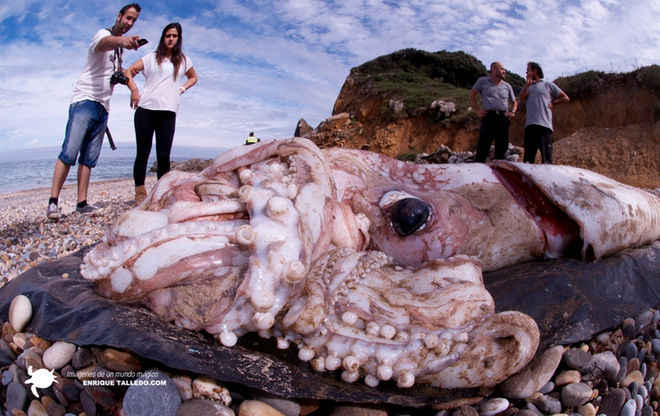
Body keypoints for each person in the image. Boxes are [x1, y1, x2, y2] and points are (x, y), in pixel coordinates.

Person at [46, 3, 143, 221]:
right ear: (119, 16)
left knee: (89, 158)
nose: (129, 23)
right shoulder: (104, 35)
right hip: (85, 101)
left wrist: (133, 88)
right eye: (128, 18)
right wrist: (124, 41)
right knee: (69, 152)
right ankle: (53, 203)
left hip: (103, 106)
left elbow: (119, 74)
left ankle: (81, 203)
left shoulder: (118, 52)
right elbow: (103, 44)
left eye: (134, 21)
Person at [125, 22, 198, 205]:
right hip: (146, 109)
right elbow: (129, 72)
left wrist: (181, 89)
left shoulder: (183, 60)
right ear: (163, 37)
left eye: (174, 36)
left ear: (178, 38)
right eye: (168, 35)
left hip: (168, 111)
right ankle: (140, 192)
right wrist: (134, 90)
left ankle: (161, 192)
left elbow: (194, 77)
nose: (171, 39)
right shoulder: (151, 57)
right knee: (143, 152)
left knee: (163, 155)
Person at [520, 62, 570, 164]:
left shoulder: (548, 85)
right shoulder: (527, 87)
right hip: (530, 126)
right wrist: (527, 84)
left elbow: (565, 98)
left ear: (535, 71)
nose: (526, 72)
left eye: (528, 70)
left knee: (547, 160)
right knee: (528, 161)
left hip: (545, 127)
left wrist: (553, 102)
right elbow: (521, 98)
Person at [469, 62, 518, 163]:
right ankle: (478, 172)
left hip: (503, 118)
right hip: (489, 117)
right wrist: (477, 110)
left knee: (502, 147)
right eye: (502, 69)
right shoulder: (482, 81)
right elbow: (472, 94)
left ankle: (498, 174)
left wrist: (512, 112)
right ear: (494, 69)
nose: (504, 71)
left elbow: (514, 102)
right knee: (483, 146)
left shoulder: (507, 85)